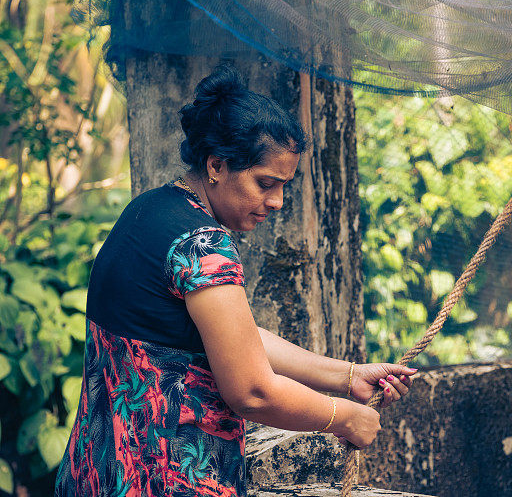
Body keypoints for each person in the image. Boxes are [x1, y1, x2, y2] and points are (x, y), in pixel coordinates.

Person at [54, 64, 417, 496]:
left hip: (95, 473)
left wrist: (347, 375)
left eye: (284, 186)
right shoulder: (203, 244)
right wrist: (344, 416)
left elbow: (236, 337)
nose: (277, 201)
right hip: (167, 480)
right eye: (265, 183)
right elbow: (251, 391)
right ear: (217, 165)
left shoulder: (148, 210)